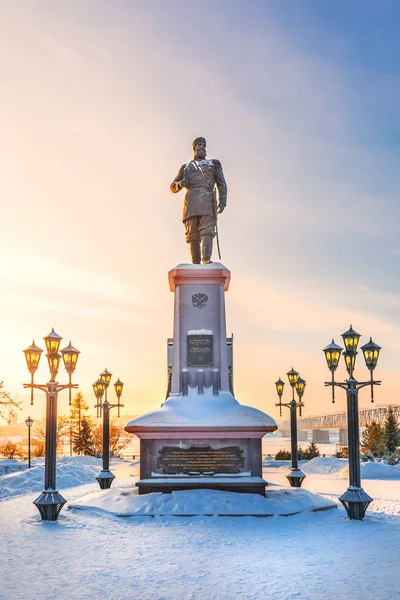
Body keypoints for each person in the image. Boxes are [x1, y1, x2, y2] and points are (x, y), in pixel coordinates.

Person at [170, 137, 227, 264]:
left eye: (203, 145)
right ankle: (195, 262)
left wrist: (222, 199)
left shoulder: (214, 164)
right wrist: (181, 183)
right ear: (194, 149)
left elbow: (221, 183)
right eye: (198, 145)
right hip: (191, 203)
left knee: (207, 231)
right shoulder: (186, 167)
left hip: (207, 201)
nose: (201, 146)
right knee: (193, 235)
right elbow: (173, 187)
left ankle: (206, 259)